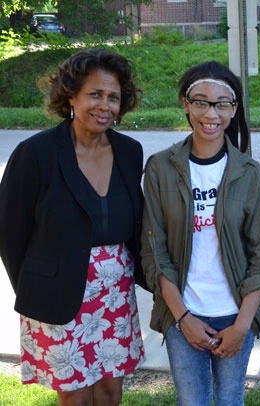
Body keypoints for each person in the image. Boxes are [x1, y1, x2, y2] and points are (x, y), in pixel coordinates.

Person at [0, 48, 145, 405]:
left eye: (113, 97)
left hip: (115, 294)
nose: (105, 105)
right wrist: (41, 286)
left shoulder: (129, 151)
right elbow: (9, 233)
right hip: (59, 294)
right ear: (71, 97)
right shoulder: (36, 154)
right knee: (75, 395)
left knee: (111, 390)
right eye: (95, 94)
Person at [141, 61, 260, 406]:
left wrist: (242, 326)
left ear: (233, 110)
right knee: (191, 402)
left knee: (230, 401)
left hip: (234, 315)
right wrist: (183, 318)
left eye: (221, 104)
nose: (210, 113)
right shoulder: (160, 167)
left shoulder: (249, 172)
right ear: (186, 104)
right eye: (200, 101)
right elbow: (155, 253)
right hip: (182, 312)